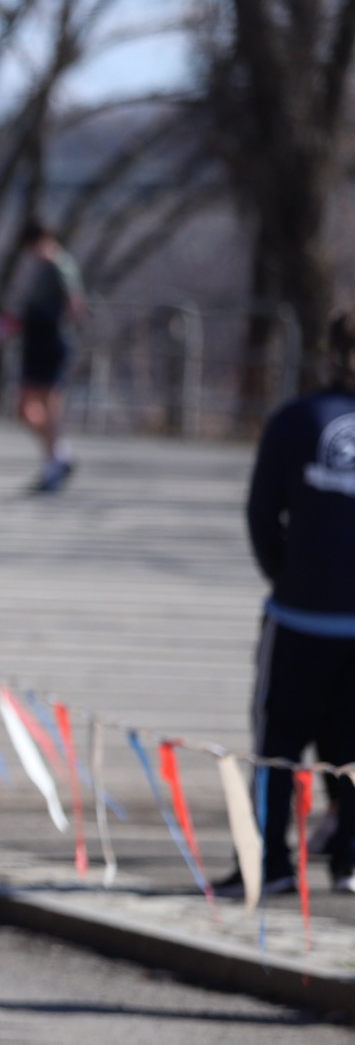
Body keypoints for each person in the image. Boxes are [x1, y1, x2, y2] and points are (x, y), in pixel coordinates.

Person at [227, 311, 355, 898]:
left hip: (301, 616)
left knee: (278, 745)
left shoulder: (295, 420)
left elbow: (262, 513)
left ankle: (269, 861)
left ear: (327, 354)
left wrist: (288, 575)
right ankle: (349, 859)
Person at [13, 219, 87, 492]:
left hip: (51, 340)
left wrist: (67, 324)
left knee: (50, 404)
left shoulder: (60, 264)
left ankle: (53, 464)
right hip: (35, 340)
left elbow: (75, 301)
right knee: (26, 407)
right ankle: (60, 455)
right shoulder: (43, 267)